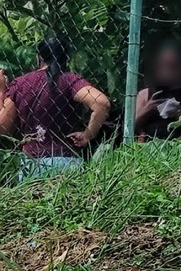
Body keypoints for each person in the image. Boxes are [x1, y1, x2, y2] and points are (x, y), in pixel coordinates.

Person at [0, 36, 111, 177]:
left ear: (38, 58)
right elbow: (102, 103)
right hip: (67, 165)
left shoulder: (21, 84)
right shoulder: (69, 80)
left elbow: (2, 128)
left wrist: (2, 90)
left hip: (31, 167)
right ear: (66, 58)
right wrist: (88, 134)